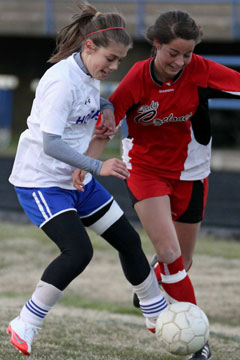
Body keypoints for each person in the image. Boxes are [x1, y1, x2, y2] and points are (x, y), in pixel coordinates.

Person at [6, 2, 168, 356]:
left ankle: (157, 312)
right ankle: (25, 322)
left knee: (127, 238)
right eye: (109, 59)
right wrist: (98, 166)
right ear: (88, 47)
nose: (112, 68)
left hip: (74, 181)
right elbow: (50, 144)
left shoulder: (87, 74)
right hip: (42, 183)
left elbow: (89, 103)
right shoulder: (62, 82)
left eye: (118, 62)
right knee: (78, 251)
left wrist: (107, 107)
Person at [85, 10, 240, 360]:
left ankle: (151, 282)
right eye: (174, 53)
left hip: (192, 173)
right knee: (169, 254)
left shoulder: (199, 69)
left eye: (187, 54)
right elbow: (106, 123)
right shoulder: (138, 78)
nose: (181, 61)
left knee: (182, 262)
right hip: (146, 170)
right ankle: (197, 340)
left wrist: (192, 62)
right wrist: (87, 169)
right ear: (156, 45)